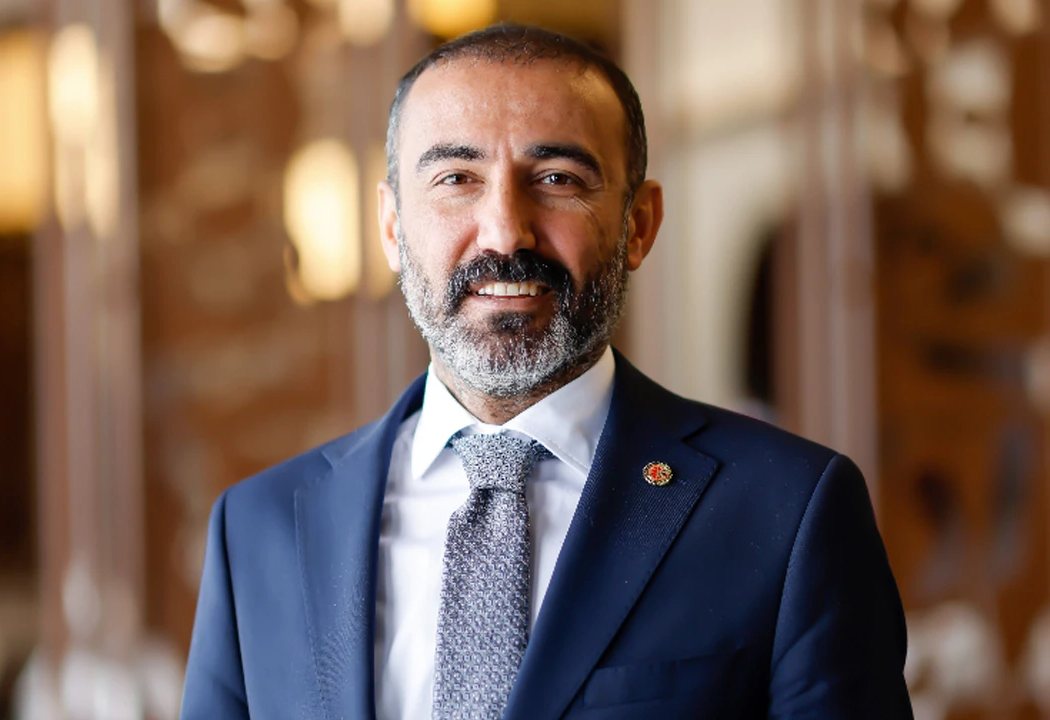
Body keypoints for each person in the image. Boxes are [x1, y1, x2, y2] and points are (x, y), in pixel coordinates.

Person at [180, 24, 912, 720]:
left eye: (558, 178)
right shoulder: (257, 531)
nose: (505, 232)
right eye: (457, 178)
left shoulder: (788, 512)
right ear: (394, 226)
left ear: (638, 225)